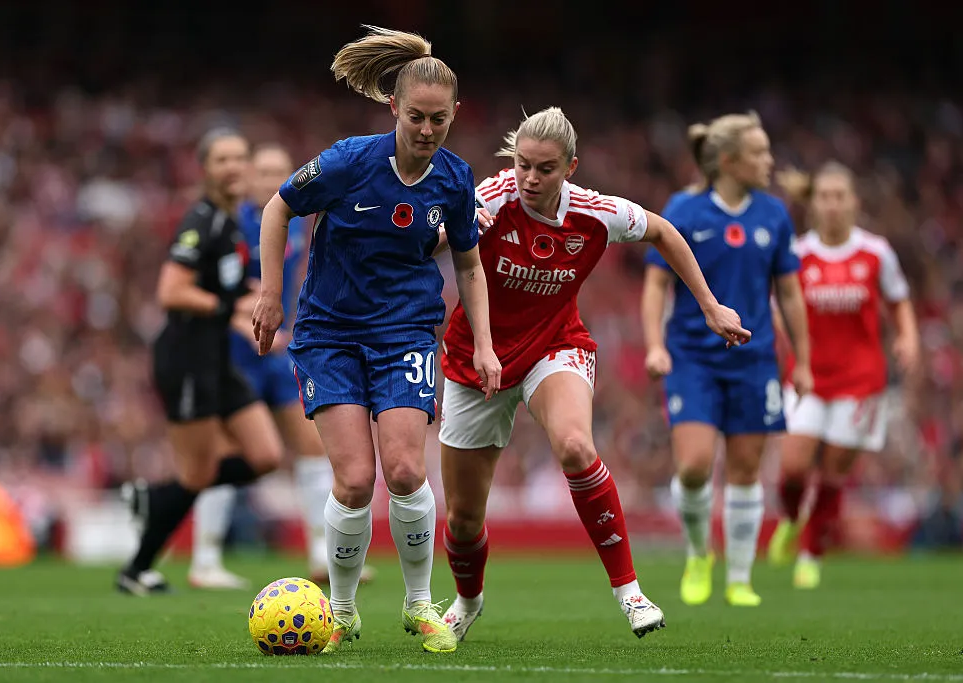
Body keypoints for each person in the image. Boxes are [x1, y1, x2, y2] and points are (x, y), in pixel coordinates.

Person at [436, 107, 751, 641]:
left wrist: (710, 305)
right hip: (477, 357)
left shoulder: (596, 213)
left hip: (554, 347)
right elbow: (433, 243)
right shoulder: (490, 196)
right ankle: (468, 601)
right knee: (464, 519)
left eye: (545, 168)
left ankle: (629, 591)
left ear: (571, 167)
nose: (530, 179)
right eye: (522, 165)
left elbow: (663, 231)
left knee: (577, 446)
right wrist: (457, 227)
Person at [251, 26, 500, 654]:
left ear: (455, 116)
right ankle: (339, 611)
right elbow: (277, 208)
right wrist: (272, 293)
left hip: (406, 332)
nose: (426, 130)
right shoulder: (347, 161)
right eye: (415, 116)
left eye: (438, 120)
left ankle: (420, 607)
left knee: (406, 468)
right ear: (393, 107)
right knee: (356, 479)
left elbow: (468, 264)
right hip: (329, 334)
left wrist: (487, 344)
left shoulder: (454, 179)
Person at [641, 111, 813, 607]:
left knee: (744, 470)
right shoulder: (685, 210)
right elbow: (656, 283)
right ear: (731, 160)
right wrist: (654, 343)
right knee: (694, 466)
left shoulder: (774, 215)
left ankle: (739, 577)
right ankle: (700, 553)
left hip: (755, 359)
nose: (770, 161)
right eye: (760, 152)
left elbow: (790, 293)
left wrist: (802, 359)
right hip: (693, 357)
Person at [189, 144, 373, 589]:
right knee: (229, 454)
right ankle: (205, 559)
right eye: (264, 171)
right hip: (235, 354)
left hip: (276, 351)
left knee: (310, 449)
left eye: (280, 171)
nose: (272, 179)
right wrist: (237, 315)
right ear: (248, 178)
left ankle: (318, 553)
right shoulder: (233, 224)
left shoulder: (291, 224)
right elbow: (207, 285)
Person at [116, 128, 283, 595]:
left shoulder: (232, 225)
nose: (233, 167)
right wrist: (228, 309)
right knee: (198, 474)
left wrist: (253, 305)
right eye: (222, 160)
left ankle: (152, 498)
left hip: (215, 360)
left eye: (239, 158)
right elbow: (171, 291)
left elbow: (224, 291)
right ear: (206, 169)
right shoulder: (202, 219)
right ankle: (136, 570)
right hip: (186, 359)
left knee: (265, 455)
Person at [767, 162, 919, 588]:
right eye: (825, 196)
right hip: (808, 377)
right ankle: (794, 520)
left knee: (833, 474)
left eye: (840, 196)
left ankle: (811, 556)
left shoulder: (875, 252)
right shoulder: (797, 255)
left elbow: (899, 299)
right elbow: (780, 309)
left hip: (861, 382)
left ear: (853, 202)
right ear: (813, 203)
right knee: (793, 469)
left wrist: (907, 337)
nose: (832, 205)